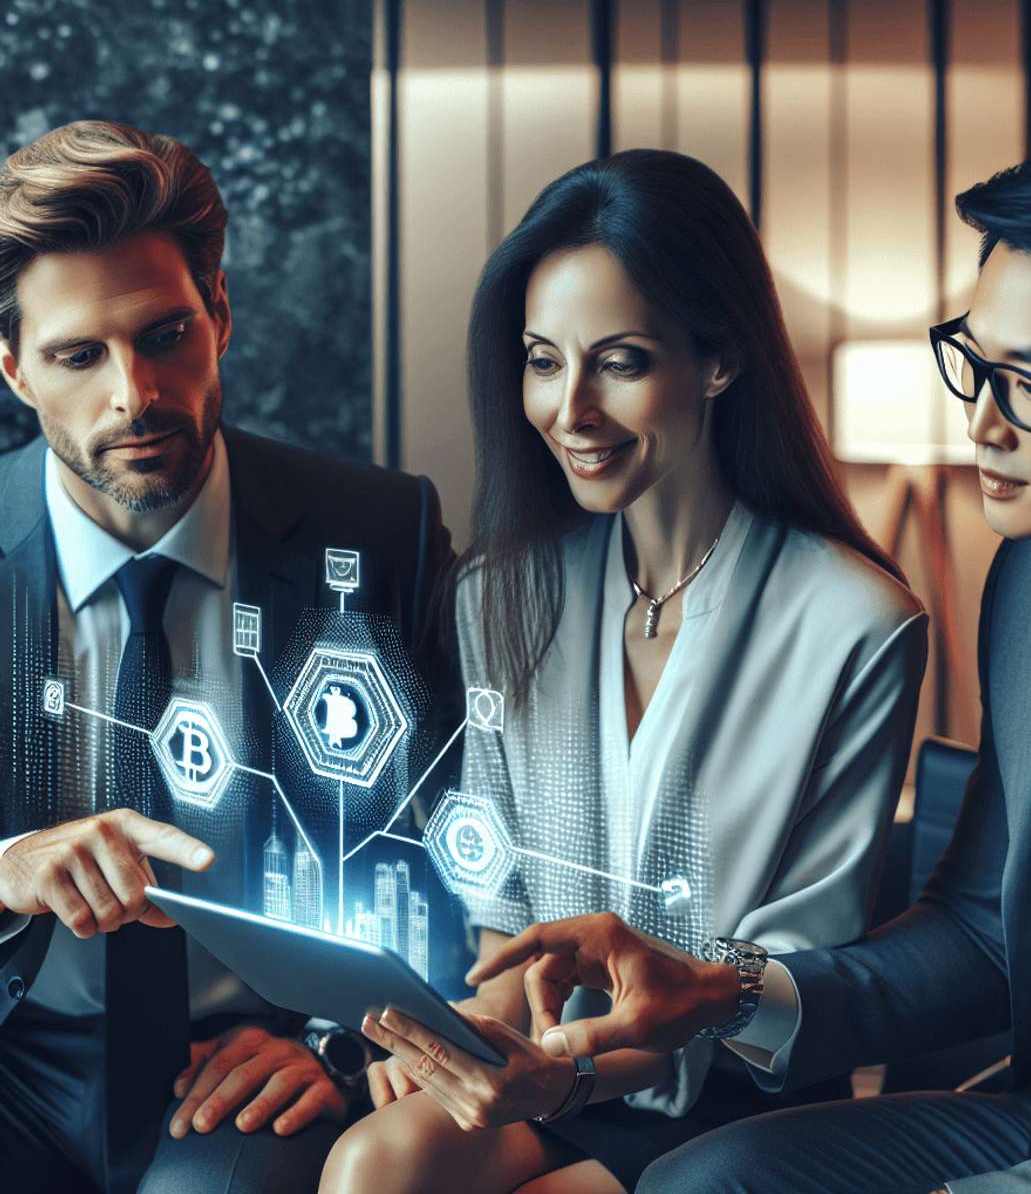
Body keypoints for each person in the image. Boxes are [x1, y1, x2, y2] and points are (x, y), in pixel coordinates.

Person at [468, 134, 1031, 1194]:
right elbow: (986, 933)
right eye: (972, 362)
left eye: (1029, 384)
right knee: (696, 1184)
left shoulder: (862, 609)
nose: (981, 423)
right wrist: (716, 994)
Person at [319, 149, 927, 1194]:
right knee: (373, 1165)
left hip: (734, 1088)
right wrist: (465, 1043)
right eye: (543, 359)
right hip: (548, 1073)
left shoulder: (857, 623)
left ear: (720, 359)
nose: (570, 410)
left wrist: (560, 1075)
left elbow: (790, 976)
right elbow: (504, 916)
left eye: (621, 361)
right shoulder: (500, 596)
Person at [0, 121, 453, 1194]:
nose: (135, 394)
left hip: (259, 1060)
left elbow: (461, 848)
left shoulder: (381, 531)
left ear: (222, 318)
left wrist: (342, 1045)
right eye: (79, 355)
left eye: (165, 335)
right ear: (14, 367)